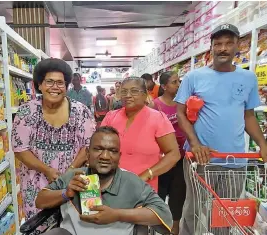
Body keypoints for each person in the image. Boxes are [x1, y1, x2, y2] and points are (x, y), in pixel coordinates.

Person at [174, 24, 267, 235]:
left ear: (237, 47)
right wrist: (196, 144)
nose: (223, 48)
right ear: (211, 48)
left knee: (224, 213)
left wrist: (262, 144)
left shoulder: (248, 78)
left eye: (228, 43)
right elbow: (180, 113)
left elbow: (248, 115)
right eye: (218, 44)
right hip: (201, 159)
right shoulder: (194, 77)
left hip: (234, 159)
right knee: (194, 210)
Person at [36, 126, 173, 235]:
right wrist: (66, 193)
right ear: (88, 153)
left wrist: (117, 215)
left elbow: (163, 214)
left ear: (119, 157)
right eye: (98, 149)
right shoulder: (74, 176)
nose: (105, 156)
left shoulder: (132, 182)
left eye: (112, 151)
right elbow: (40, 201)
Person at [12, 58, 96, 234]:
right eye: (49, 81)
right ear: (39, 85)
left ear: (67, 86)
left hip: (75, 180)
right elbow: (20, 149)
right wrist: (47, 170)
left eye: (60, 82)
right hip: (37, 183)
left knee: (75, 225)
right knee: (39, 226)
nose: (55, 87)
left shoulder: (81, 111)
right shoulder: (27, 111)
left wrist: (69, 171)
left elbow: (89, 146)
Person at [101, 77, 181, 191]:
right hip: (109, 186)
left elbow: (173, 154)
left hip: (143, 189)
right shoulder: (111, 117)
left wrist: (147, 174)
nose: (128, 95)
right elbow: (99, 147)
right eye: (124, 91)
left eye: (134, 91)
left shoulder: (158, 119)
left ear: (145, 95)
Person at [149, 71, 186, 235]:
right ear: (164, 86)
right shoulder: (155, 105)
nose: (178, 85)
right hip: (161, 160)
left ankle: (174, 230)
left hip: (182, 158)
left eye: (179, 81)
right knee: (159, 197)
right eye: (174, 82)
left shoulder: (183, 103)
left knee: (178, 198)